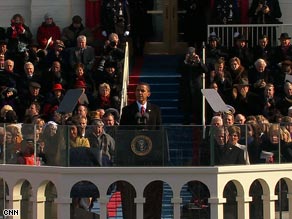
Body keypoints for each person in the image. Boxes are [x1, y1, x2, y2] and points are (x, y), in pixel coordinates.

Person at [119, 82, 163, 219]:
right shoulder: (127, 110)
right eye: (138, 90)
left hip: (151, 159)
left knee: (151, 193)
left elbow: (159, 132)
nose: (140, 93)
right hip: (133, 158)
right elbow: (122, 133)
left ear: (148, 93)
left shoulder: (155, 110)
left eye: (143, 91)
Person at [178, 47, 208, 124]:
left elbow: (205, 70)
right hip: (186, 86)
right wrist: (185, 60)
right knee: (186, 105)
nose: (191, 55)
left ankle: (198, 121)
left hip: (196, 87)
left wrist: (198, 61)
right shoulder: (183, 60)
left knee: (197, 104)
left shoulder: (198, 61)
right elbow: (179, 70)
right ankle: (186, 121)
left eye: (192, 54)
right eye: (189, 54)